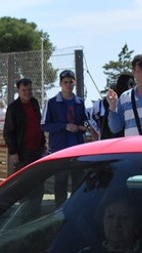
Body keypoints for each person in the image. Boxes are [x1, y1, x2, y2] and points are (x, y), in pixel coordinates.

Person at [42, 69, 89, 204]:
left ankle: (76, 207)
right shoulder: (52, 103)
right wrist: (64, 126)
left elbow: (86, 120)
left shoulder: (79, 102)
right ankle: (59, 209)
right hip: (60, 148)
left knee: (78, 181)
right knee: (61, 181)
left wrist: (83, 126)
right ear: (60, 84)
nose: (68, 85)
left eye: (71, 82)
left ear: (74, 82)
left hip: (78, 148)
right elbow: (44, 125)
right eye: (65, 82)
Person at [107, 55, 142, 137]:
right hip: (131, 148)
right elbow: (115, 128)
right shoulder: (124, 97)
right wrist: (112, 107)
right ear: (133, 72)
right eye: (141, 69)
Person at [3, 77, 45, 174]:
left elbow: (39, 124)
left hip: (38, 150)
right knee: (23, 179)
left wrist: (43, 143)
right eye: (24, 90)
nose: (27, 93)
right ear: (18, 91)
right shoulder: (13, 108)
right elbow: (8, 131)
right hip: (23, 152)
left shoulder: (34, 103)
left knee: (38, 179)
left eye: (29, 90)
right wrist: (13, 151)